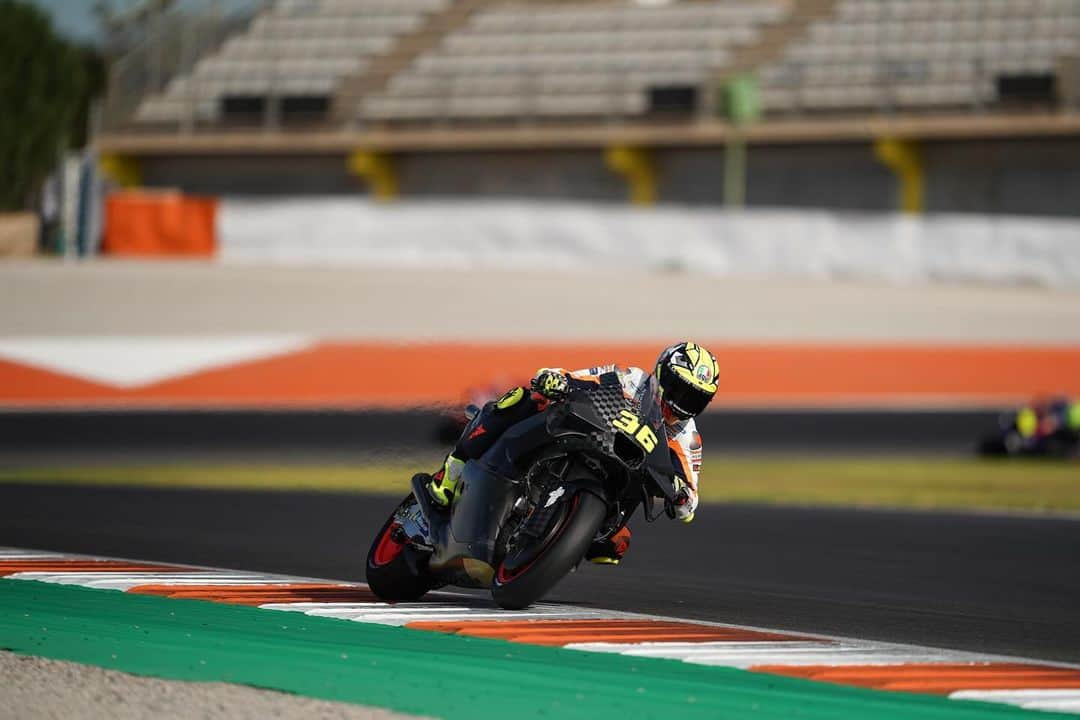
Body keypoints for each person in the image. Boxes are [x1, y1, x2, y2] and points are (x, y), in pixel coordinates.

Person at [425, 341, 719, 565]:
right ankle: (450, 472)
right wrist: (557, 381)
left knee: (615, 545)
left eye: (695, 398)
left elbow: (689, 502)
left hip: (614, 483)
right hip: (584, 439)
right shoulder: (633, 380)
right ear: (662, 374)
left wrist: (681, 496)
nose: (682, 404)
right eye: (679, 390)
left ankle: (563, 539)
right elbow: (580, 377)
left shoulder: (687, 437)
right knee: (523, 398)